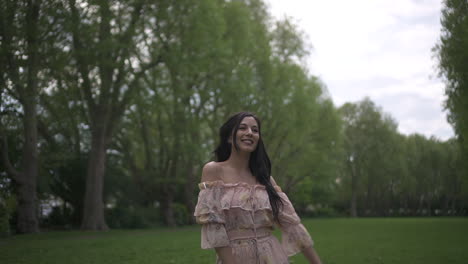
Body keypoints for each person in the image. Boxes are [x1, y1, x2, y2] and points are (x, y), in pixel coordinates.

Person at [194, 112, 323, 264]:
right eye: (243, 128)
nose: (250, 133)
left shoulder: (266, 180)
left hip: (273, 257)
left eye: (255, 130)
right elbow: (214, 227)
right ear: (229, 137)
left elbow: (292, 226)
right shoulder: (213, 170)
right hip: (235, 258)